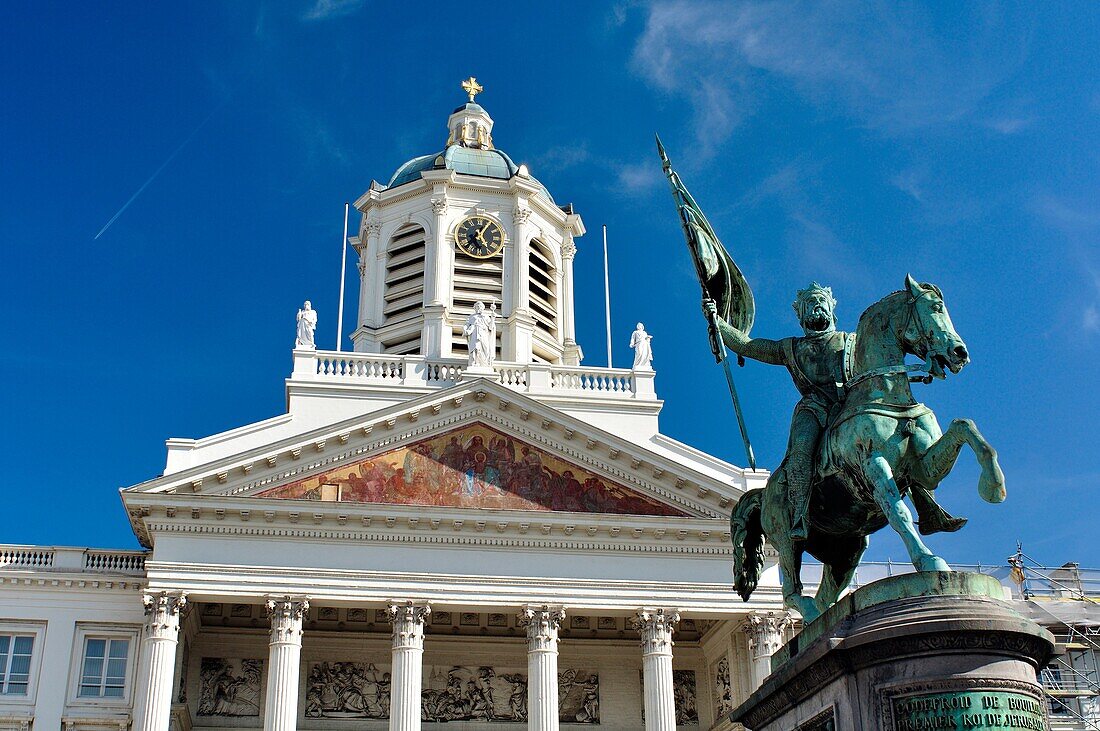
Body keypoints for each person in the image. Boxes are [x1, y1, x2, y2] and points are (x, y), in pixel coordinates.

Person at [705, 282, 846, 541]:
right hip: (814, 409)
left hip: (849, 403)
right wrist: (718, 322)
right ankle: (800, 515)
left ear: (831, 308)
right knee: (801, 452)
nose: (817, 305)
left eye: (820, 301)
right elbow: (748, 346)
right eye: (810, 303)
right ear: (801, 316)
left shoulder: (851, 342)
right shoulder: (791, 348)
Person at [464, 301, 496, 368]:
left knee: (485, 348)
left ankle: (484, 363)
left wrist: (492, 318)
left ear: (483, 308)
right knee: (475, 347)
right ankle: (475, 362)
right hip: (475, 334)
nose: (478, 307)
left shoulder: (486, 317)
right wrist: (465, 329)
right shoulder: (472, 317)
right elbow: (466, 325)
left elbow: (491, 327)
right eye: (477, 306)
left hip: (484, 333)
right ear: (475, 308)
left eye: (480, 306)